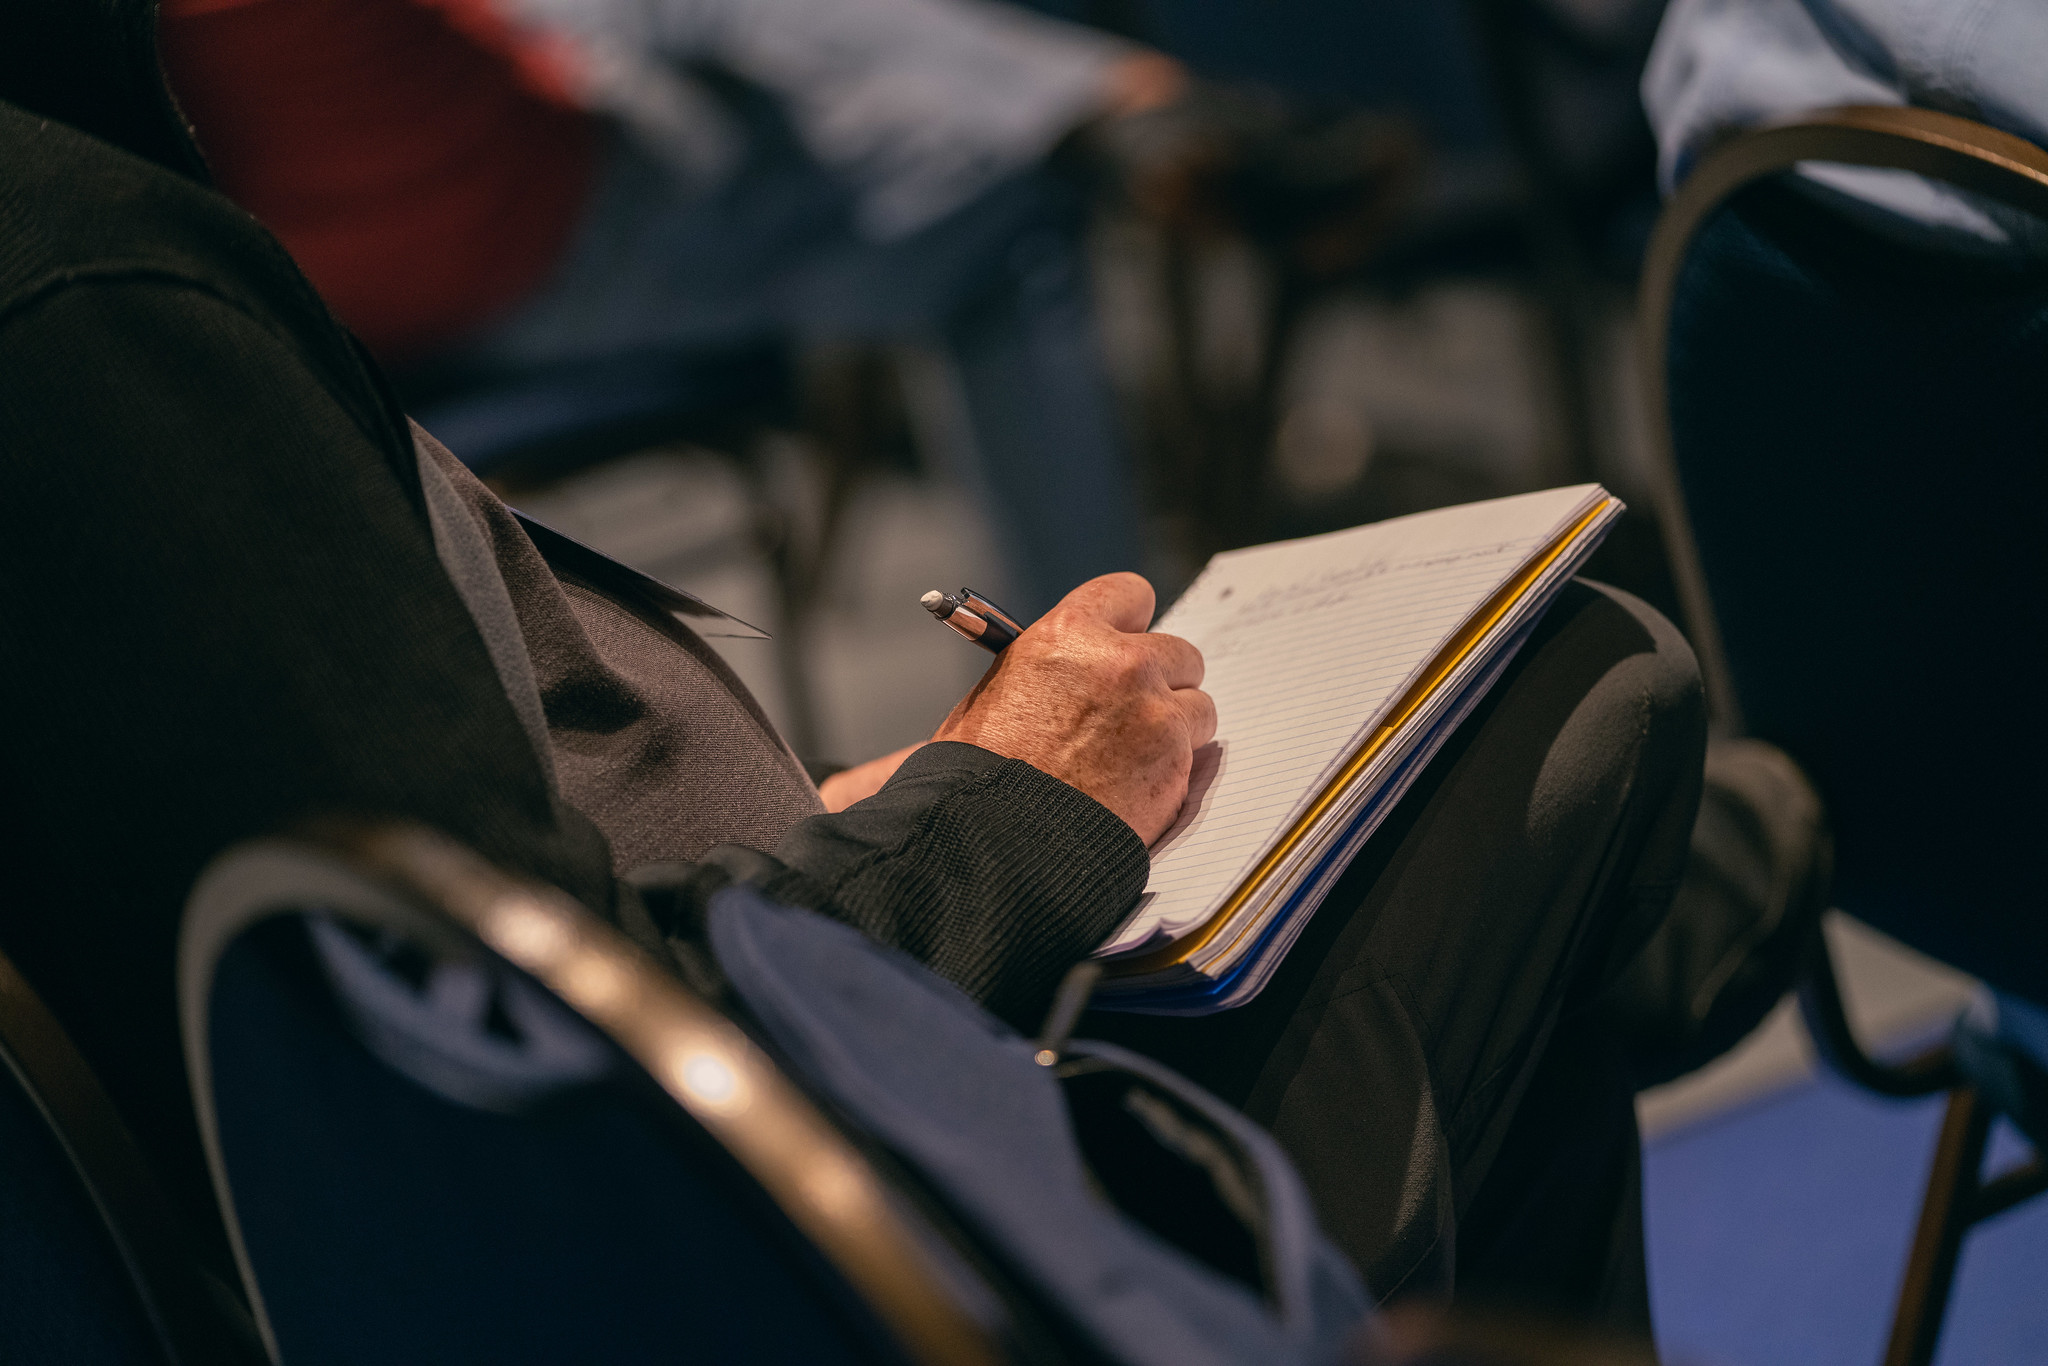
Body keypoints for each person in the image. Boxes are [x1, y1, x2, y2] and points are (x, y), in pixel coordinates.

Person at [1, 0, 1704, 1333]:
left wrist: (822, 831)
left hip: (726, 1010)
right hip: (819, 1250)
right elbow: (545, 1116)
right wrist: (1009, 809)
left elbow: (334, 880)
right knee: (1588, 693)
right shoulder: (95, 305)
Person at [153, 0, 1186, 616]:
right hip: (523, 238)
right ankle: (1105, 648)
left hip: (319, 298)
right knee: (1009, 220)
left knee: (690, 24)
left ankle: (1091, 101)